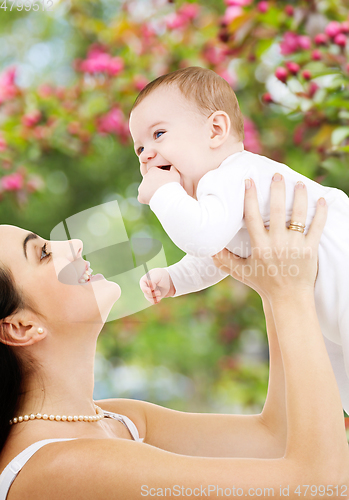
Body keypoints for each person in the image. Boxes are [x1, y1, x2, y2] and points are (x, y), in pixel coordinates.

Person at [0, 176, 347, 499]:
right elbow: (322, 486)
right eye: (43, 253)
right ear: (21, 327)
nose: (73, 244)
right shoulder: (61, 466)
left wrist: (272, 281)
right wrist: (291, 293)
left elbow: (276, 438)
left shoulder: (116, 420)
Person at [130, 66, 349, 415]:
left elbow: (203, 238)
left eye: (158, 134)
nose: (145, 155)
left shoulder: (232, 173)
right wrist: (175, 278)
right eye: (139, 147)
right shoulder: (220, 198)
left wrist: (163, 195)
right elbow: (216, 254)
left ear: (216, 130)